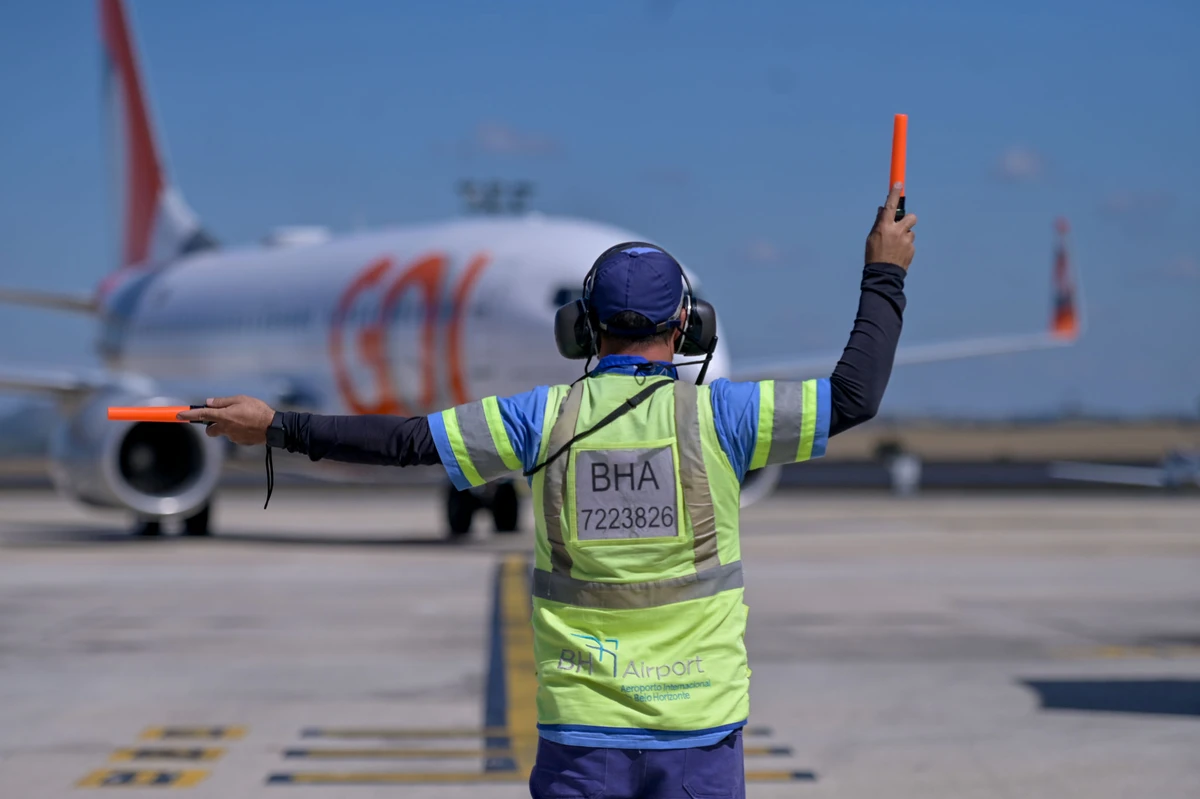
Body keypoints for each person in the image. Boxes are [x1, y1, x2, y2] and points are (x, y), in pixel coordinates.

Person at [181, 184, 917, 799]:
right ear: (689, 327)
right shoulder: (724, 417)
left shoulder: (539, 419)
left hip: (582, 739)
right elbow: (852, 395)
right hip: (698, 731)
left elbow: (404, 443)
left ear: (580, 329)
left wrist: (275, 425)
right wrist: (884, 273)